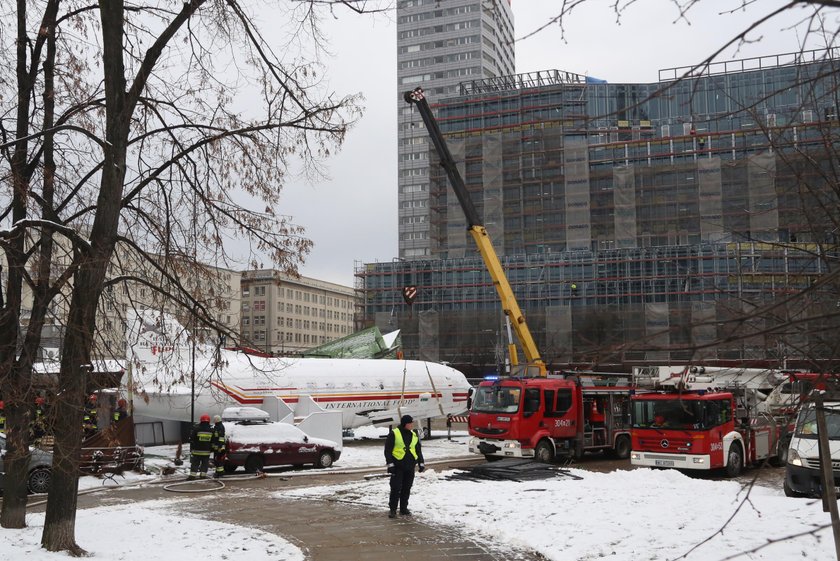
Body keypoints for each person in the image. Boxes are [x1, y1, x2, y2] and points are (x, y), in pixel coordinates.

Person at [384, 414, 425, 519]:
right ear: (405, 424)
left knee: (407, 488)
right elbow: (387, 451)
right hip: (397, 466)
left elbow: (418, 450)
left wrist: (421, 463)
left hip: (410, 465)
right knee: (396, 488)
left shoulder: (414, 435)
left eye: (412, 423)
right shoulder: (394, 433)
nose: (412, 425)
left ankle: (403, 509)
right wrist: (390, 465)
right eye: (410, 423)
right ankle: (393, 509)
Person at [188, 413, 214, 480]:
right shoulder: (211, 430)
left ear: (201, 420)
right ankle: (203, 476)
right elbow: (213, 441)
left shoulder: (196, 429)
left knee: (195, 463)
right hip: (206, 451)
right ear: (208, 421)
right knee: (205, 464)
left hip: (197, 451)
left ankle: (192, 476)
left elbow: (191, 439)